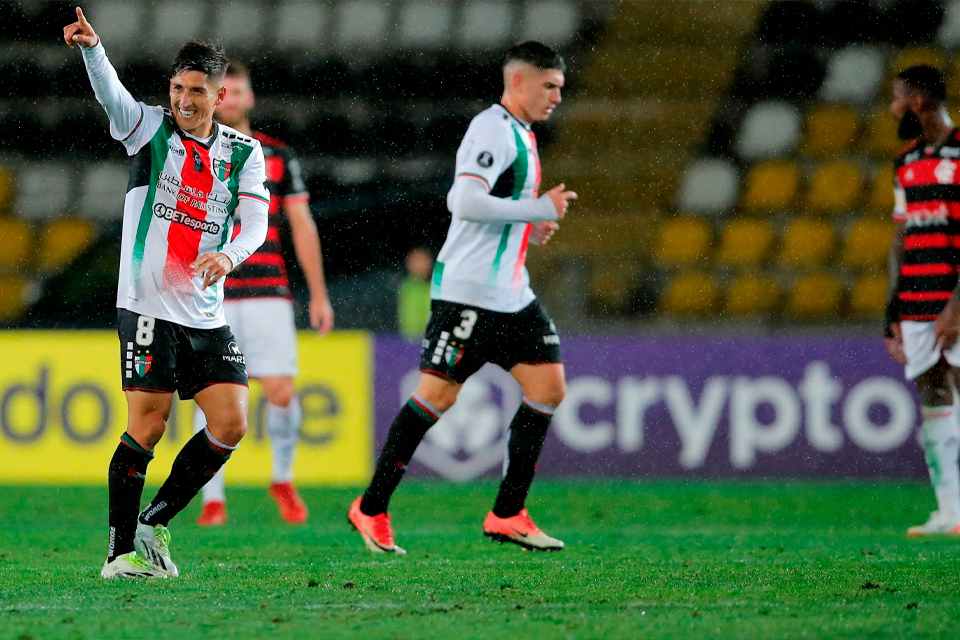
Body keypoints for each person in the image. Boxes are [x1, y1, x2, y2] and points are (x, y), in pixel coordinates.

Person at [348, 41, 577, 554]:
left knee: (548, 387)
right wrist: (536, 207)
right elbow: (465, 199)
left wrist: (531, 223)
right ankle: (371, 506)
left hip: (511, 293)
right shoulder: (492, 128)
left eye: (560, 88)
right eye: (550, 86)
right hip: (469, 294)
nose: (557, 96)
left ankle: (508, 513)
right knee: (437, 396)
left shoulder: (523, 134)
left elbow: (502, 207)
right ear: (519, 82)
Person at [64, 8, 269, 578]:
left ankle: (155, 521)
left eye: (196, 91)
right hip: (148, 305)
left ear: (219, 93)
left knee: (231, 423)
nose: (184, 99)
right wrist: (92, 50)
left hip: (205, 311)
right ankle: (117, 554)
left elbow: (255, 223)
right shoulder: (149, 129)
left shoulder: (243, 154)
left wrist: (227, 256)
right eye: (177, 88)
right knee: (147, 427)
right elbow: (113, 97)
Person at [192, 62, 335, 527]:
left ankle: (282, 478)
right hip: (211, 292)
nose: (230, 98)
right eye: (222, 91)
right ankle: (212, 499)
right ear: (214, 99)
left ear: (250, 98)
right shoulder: (190, 153)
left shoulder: (276, 154)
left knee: (280, 390)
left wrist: (318, 293)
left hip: (269, 290)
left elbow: (302, 225)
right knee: (213, 396)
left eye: (238, 91)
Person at [885, 65, 960, 536]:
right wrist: (890, 311)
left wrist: (957, 305)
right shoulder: (905, 162)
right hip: (915, 300)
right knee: (932, 395)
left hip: (955, 297)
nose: (892, 108)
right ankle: (950, 510)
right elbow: (900, 240)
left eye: (896, 99)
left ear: (917, 101)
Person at [397, 247, 434, 341]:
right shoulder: (408, 287)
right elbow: (410, 316)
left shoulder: (433, 286)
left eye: (425, 261)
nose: (423, 265)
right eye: (417, 261)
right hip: (412, 337)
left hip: (429, 335)